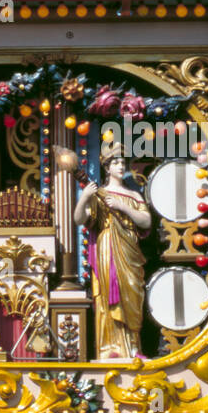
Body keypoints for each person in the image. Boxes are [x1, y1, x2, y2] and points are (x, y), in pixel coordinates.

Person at [72, 144, 152, 360]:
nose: (120, 166)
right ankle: (110, 347)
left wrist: (122, 206)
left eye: (123, 162)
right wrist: (83, 197)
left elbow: (146, 220)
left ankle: (133, 348)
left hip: (129, 250)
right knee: (109, 296)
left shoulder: (133, 194)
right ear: (107, 168)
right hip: (108, 247)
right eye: (115, 162)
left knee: (133, 294)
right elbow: (79, 219)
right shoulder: (100, 194)